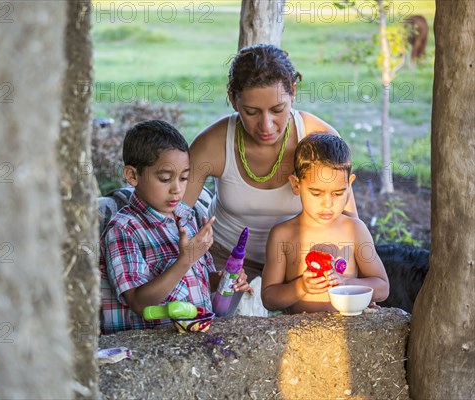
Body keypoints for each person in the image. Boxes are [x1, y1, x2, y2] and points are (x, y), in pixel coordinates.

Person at [183, 44, 358, 284]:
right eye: (252, 112)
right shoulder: (213, 144)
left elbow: (349, 223)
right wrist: (206, 276)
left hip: (301, 261)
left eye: (278, 109)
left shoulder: (318, 136)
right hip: (224, 258)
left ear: (293, 93)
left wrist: (350, 279)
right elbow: (174, 217)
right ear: (233, 100)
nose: (266, 126)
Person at [100, 120, 251, 334]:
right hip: (149, 347)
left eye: (184, 178)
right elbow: (138, 303)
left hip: (192, 338)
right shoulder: (124, 229)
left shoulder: (186, 218)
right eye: (165, 179)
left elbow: (192, 282)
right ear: (132, 176)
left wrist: (222, 280)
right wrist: (186, 259)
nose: (177, 189)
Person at [261, 134, 389, 313]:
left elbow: (382, 287)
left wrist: (348, 284)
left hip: (348, 329)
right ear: (296, 185)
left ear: (349, 185)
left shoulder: (354, 230)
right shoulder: (283, 235)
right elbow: (269, 298)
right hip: (300, 333)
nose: (327, 204)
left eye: (337, 193)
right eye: (316, 193)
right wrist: (300, 287)